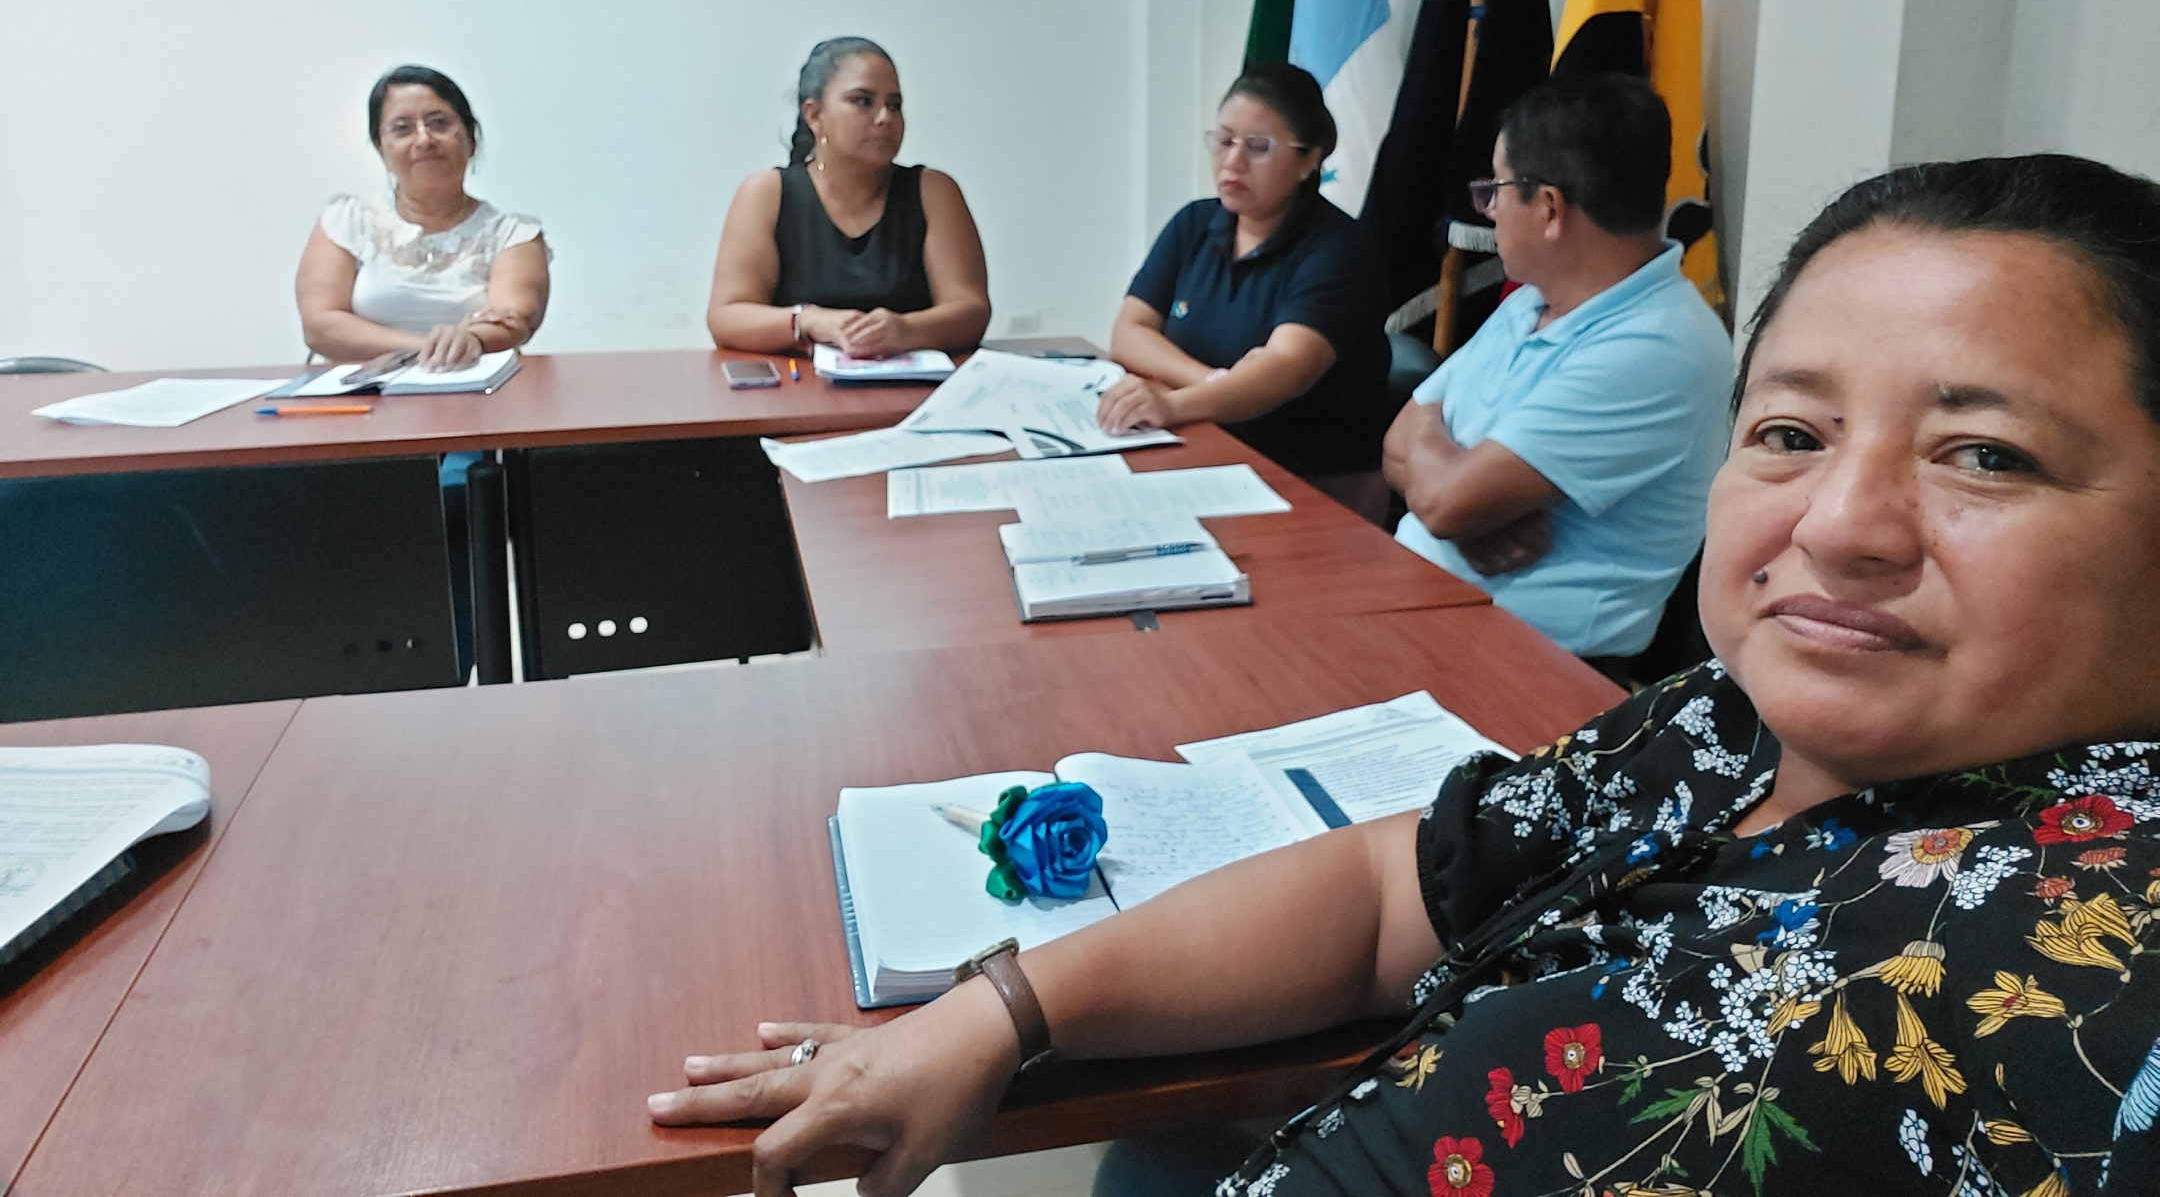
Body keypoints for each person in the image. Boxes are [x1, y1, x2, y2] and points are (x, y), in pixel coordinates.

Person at [645, 152, 2160, 1196]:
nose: (1838, 525)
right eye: (1790, 434)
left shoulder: (2088, 983)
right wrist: (1000, 1011)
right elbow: (1399, 885)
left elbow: (1425, 458)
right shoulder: (1727, 724)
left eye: (1986, 455)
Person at [1385, 73, 1732, 658]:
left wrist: (1452, 497)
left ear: (1548, 207)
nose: (1489, 209)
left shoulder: (1657, 344)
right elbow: (1399, 442)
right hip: (1420, 606)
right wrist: (1459, 506)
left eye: (1496, 189)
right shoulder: (1530, 301)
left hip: (1527, 663)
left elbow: (1443, 501)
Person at [1098, 64, 1391, 511]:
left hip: (1311, 485)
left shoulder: (1339, 249)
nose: (1232, 162)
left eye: (1258, 147)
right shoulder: (1194, 223)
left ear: (1309, 160)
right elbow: (1129, 331)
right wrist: (1212, 382)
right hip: (1205, 451)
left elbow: (1283, 369)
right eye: (1224, 140)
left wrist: (1173, 406)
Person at [706, 38, 991, 360]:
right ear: (815, 115)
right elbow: (726, 316)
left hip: (915, 383)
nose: (884, 117)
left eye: (894, 105)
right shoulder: (767, 193)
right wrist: (809, 321)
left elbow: (971, 310)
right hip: (800, 384)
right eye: (863, 101)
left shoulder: (933, 191)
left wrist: (907, 330)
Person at [296, 65, 549, 369]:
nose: (424, 139)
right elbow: (320, 326)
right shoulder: (347, 221)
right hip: (359, 391)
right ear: (380, 147)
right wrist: (436, 349)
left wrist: (474, 340)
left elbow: (513, 320)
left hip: (468, 390)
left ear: (471, 138)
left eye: (439, 123)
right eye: (403, 128)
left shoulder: (513, 234)